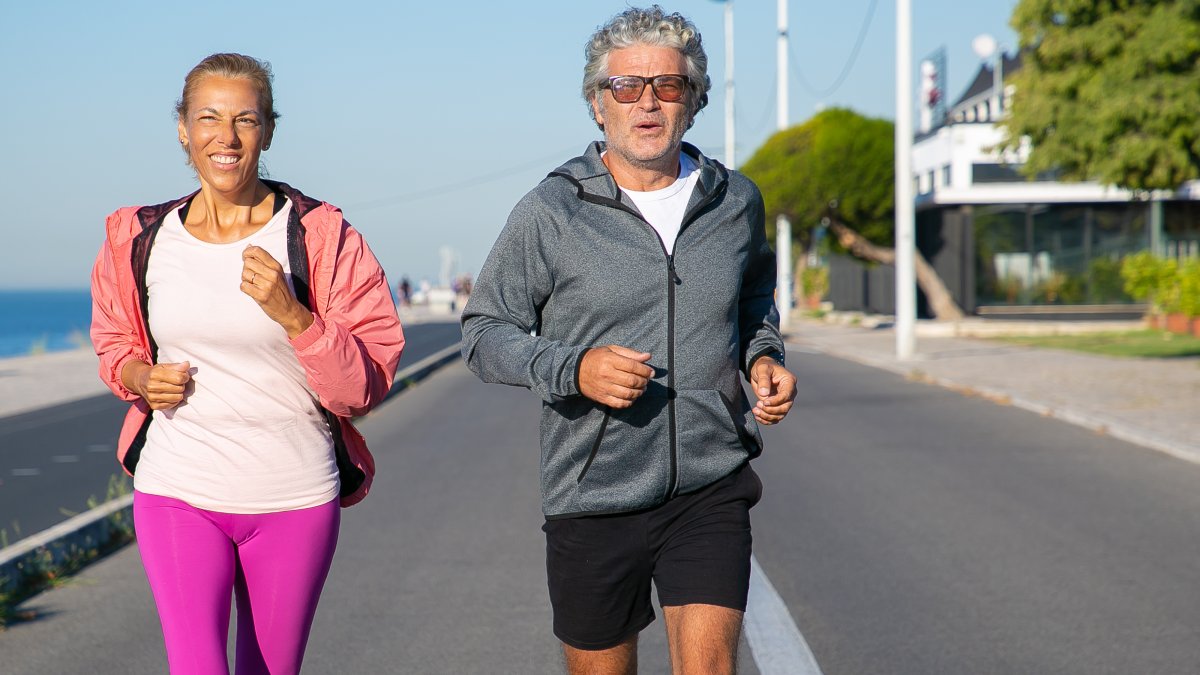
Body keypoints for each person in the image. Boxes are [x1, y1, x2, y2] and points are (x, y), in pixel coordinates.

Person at [460, 7, 796, 674]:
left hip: (709, 484)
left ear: (692, 102)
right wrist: (574, 368)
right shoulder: (552, 210)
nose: (647, 102)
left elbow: (754, 298)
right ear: (597, 104)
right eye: (626, 86)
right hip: (592, 492)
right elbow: (483, 332)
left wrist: (763, 354)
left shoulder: (735, 201)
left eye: (667, 85)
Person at [90, 53, 403, 675]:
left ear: (269, 130)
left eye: (246, 120)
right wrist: (138, 378)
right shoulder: (140, 238)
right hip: (177, 489)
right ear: (183, 129)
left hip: (293, 496)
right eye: (208, 118)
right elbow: (114, 342)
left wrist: (295, 316)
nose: (226, 137)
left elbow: (363, 387)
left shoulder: (321, 237)